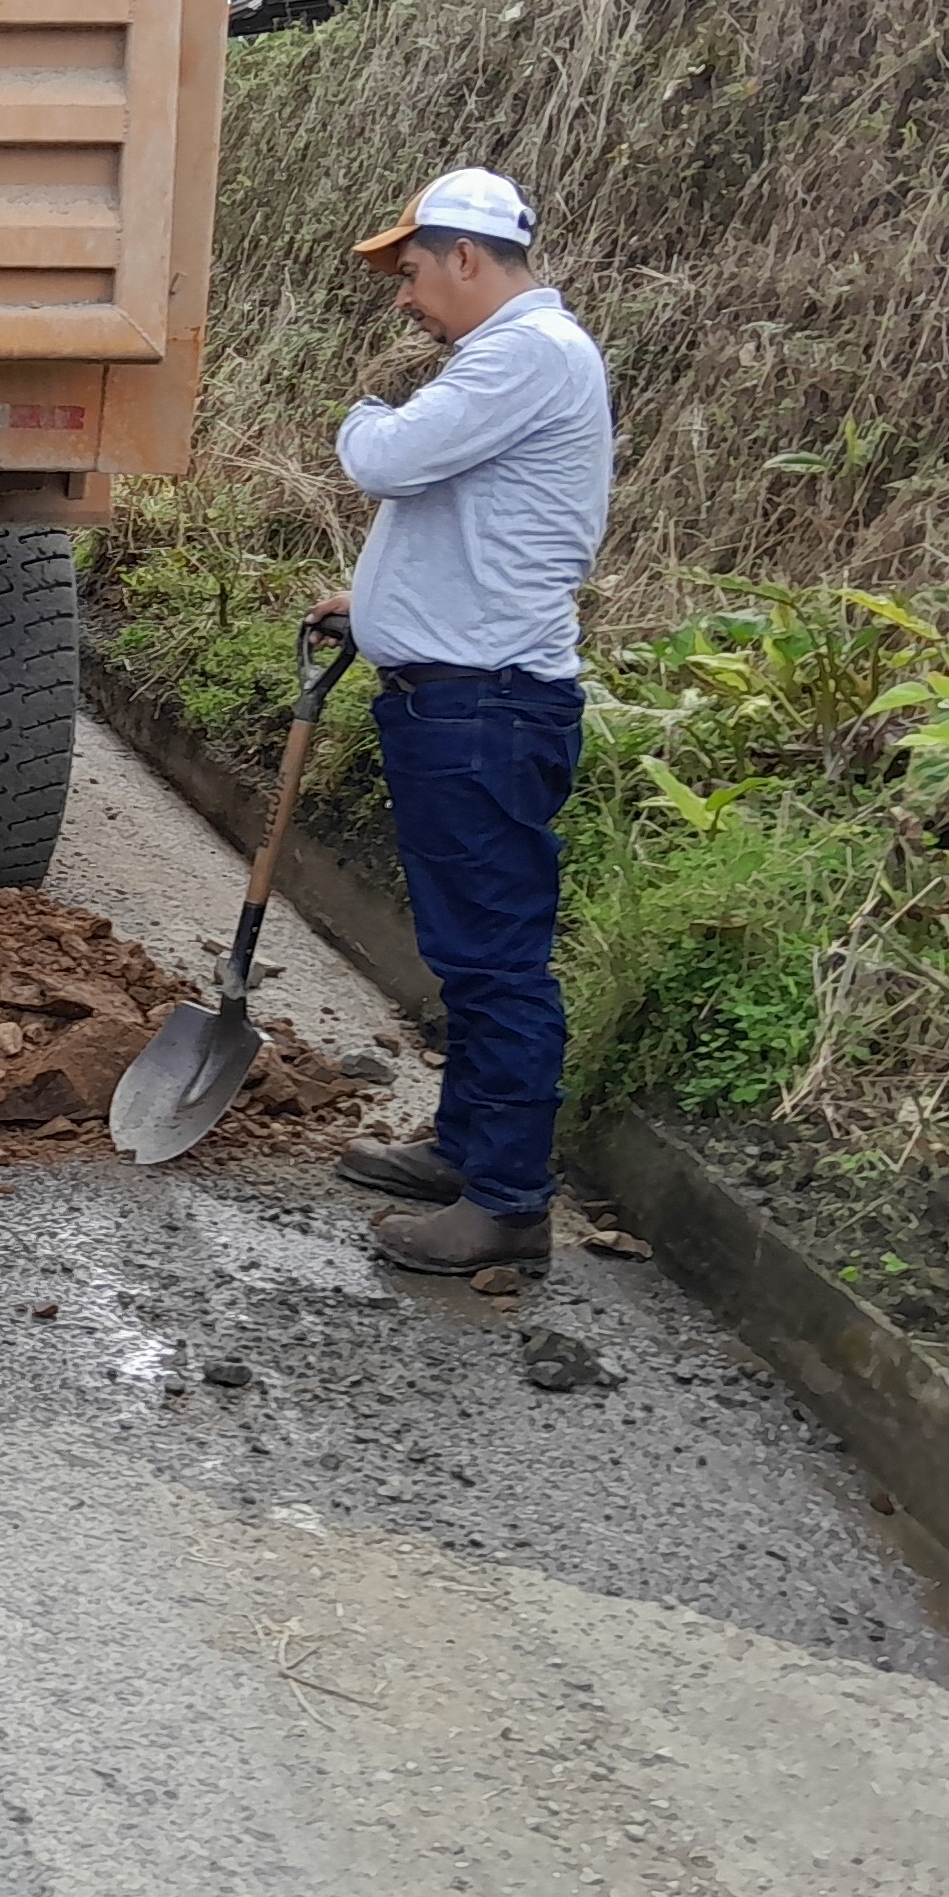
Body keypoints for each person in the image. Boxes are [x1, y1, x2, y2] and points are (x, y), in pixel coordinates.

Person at [311, 167, 614, 1271]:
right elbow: (479, 526)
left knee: (495, 960)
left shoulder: (525, 353)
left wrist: (361, 415)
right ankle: (465, 1147)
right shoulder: (523, 357)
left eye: (411, 273)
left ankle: (508, 1203)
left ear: (467, 257)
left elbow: (386, 460)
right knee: (470, 949)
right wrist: (378, 609)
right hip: (470, 696)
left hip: (485, 708)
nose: (405, 298)